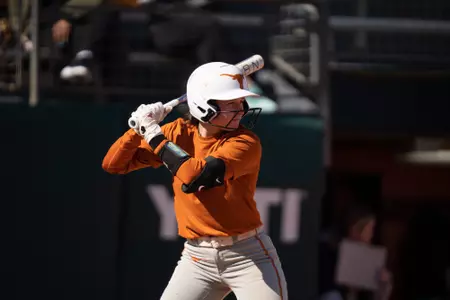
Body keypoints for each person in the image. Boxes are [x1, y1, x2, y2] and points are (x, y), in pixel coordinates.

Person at [102, 61, 288, 300]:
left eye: (240, 102)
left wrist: (152, 133)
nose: (240, 109)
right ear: (203, 107)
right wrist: (138, 127)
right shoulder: (177, 133)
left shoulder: (246, 142)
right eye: (230, 103)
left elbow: (198, 175)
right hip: (197, 258)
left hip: (248, 256)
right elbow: (113, 164)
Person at [318, 204, 393, 300]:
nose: (370, 236)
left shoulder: (369, 260)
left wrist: (382, 292)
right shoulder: (328, 252)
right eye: (368, 229)